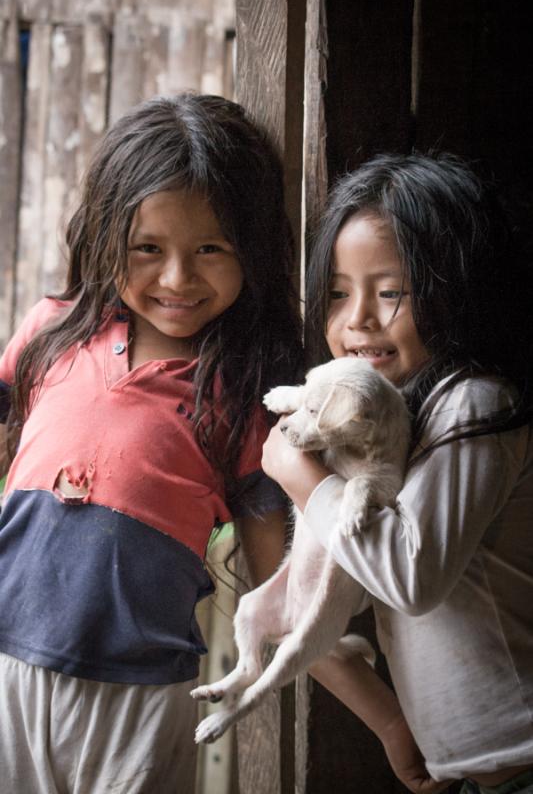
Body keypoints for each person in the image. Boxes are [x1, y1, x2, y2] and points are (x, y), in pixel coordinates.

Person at [0, 93, 304, 793]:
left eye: (208, 249)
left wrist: (384, 719)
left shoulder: (242, 396)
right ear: (108, 237)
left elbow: (283, 592)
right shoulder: (52, 333)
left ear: (252, 249)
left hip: (137, 699)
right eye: (147, 249)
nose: (176, 278)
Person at [262, 153, 533, 794]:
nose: (358, 318)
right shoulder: (391, 422)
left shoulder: (474, 403)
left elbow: (413, 577)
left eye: (390, 293)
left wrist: (304, 479)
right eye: (337, 292)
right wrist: (388, 721)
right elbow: (329, 588)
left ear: (457, 288)